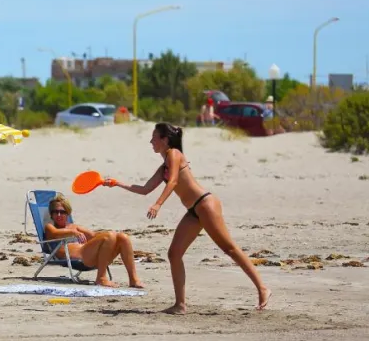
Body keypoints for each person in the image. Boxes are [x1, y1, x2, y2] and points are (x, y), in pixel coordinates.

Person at [104, 122, 271, 314]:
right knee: (174, 253)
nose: (151, 141)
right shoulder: (163, 166)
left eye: (154, 137)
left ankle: (262, 288)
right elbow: (144, 189)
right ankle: (180, 305)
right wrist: (117, 184)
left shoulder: (174, 154)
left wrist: (158, 204)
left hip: (205, 204)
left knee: (230, 249)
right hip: (194, 211)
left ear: (165, 140)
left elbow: (174, 180)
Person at [44, 195, 144, 288]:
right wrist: (73, 232)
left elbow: (93, 235)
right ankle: (101, 278)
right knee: (109, 236)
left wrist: (111, 234)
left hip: (94, 257)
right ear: (51, 214)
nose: (59, 215)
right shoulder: (50, 227)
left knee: (123, 237)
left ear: (68, 213)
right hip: (79, 258)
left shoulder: (74, 227)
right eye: (55, 212)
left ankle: (133, 279)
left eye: (62, 212)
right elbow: (55, 233)